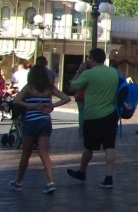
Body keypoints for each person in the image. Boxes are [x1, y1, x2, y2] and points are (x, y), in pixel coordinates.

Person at [10, 62, 72, 193]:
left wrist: (31, 106)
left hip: (31, 121)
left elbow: (16, 100)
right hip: (45, 121)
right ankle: (50, 182)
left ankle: (19, 182)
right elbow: (66, 98)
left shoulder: (29, 87)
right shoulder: (49, 88)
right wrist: (52, 106)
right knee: (44, 153)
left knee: (26, 153)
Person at [67, 48, 121, 189]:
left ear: (92, 59)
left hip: (93, 115)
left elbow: (72, 88)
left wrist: (79, 71)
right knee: (110, 145)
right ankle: (109, 176)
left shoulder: (88, 74)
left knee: (89, 146)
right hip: (111, 114)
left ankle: (82, 171)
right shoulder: (113, 72)